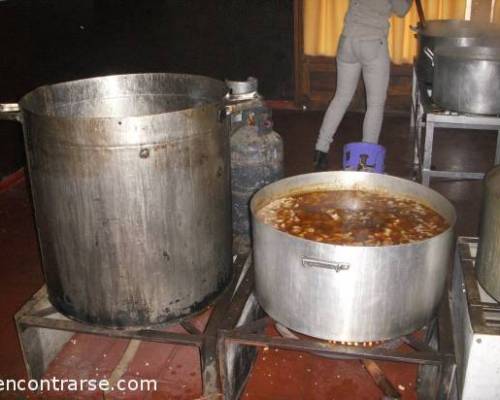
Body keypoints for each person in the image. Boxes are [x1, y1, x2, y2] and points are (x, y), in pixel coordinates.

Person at [313, 0, 413, 171]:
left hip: (348, 41)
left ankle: (320, 150)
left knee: (341, 98)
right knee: (375, 105)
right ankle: (366, 161)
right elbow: (402, 10)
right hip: (372, 43)